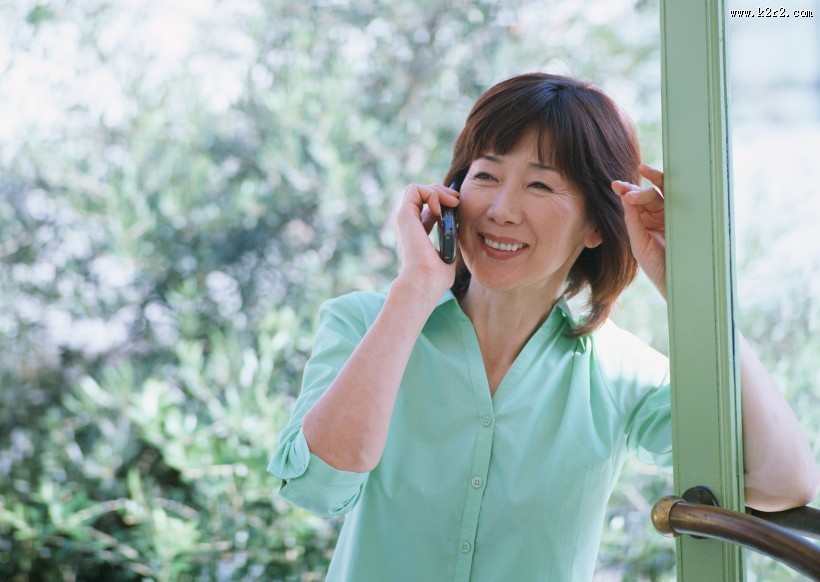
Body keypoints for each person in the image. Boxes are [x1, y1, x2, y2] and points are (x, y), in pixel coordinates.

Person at [268, 73, 818, 581]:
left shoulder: (622, 373)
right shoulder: (364, 323)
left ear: (597, 228)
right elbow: (318, 487)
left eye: (540, 186)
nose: (502, 209)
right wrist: (413, 291)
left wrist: (689, 288)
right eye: (485, 175)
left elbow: (783, 483)